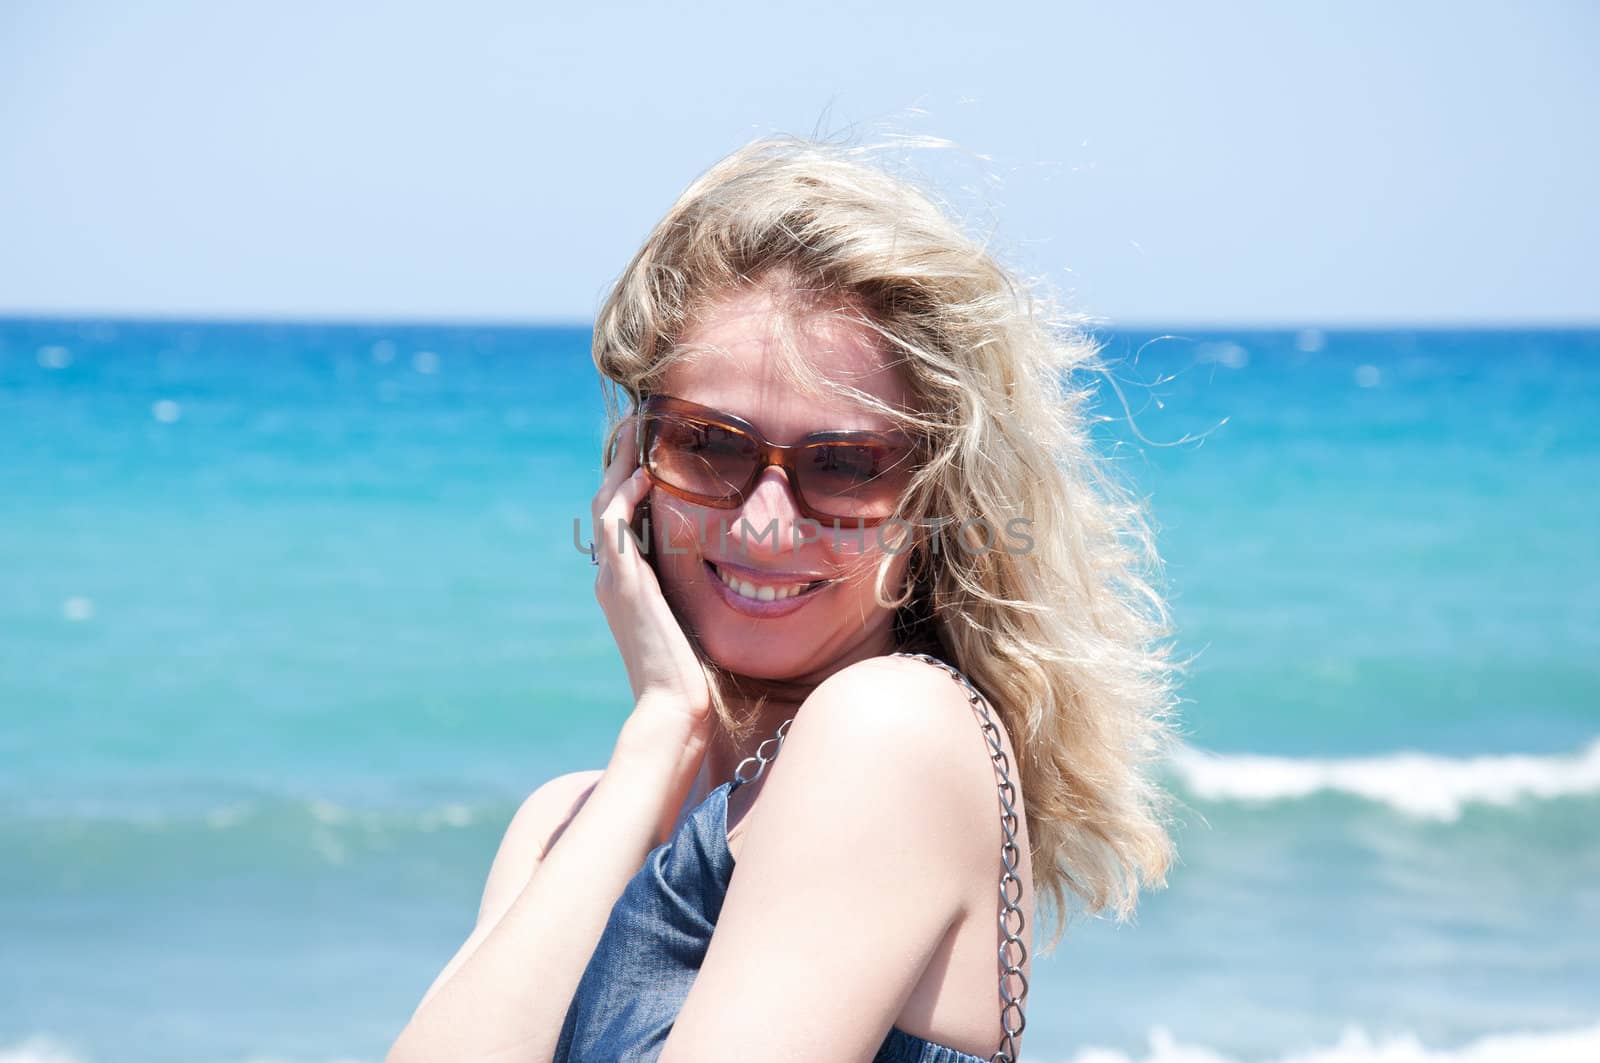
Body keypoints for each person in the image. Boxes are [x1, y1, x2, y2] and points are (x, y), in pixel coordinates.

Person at [388, 134, 1182, 1063]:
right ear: (631, 465)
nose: (766, 525)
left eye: (844, 465)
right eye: (712, 445)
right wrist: (662, 733)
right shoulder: (570, 821)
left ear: (932, 506)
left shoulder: (894, 730)